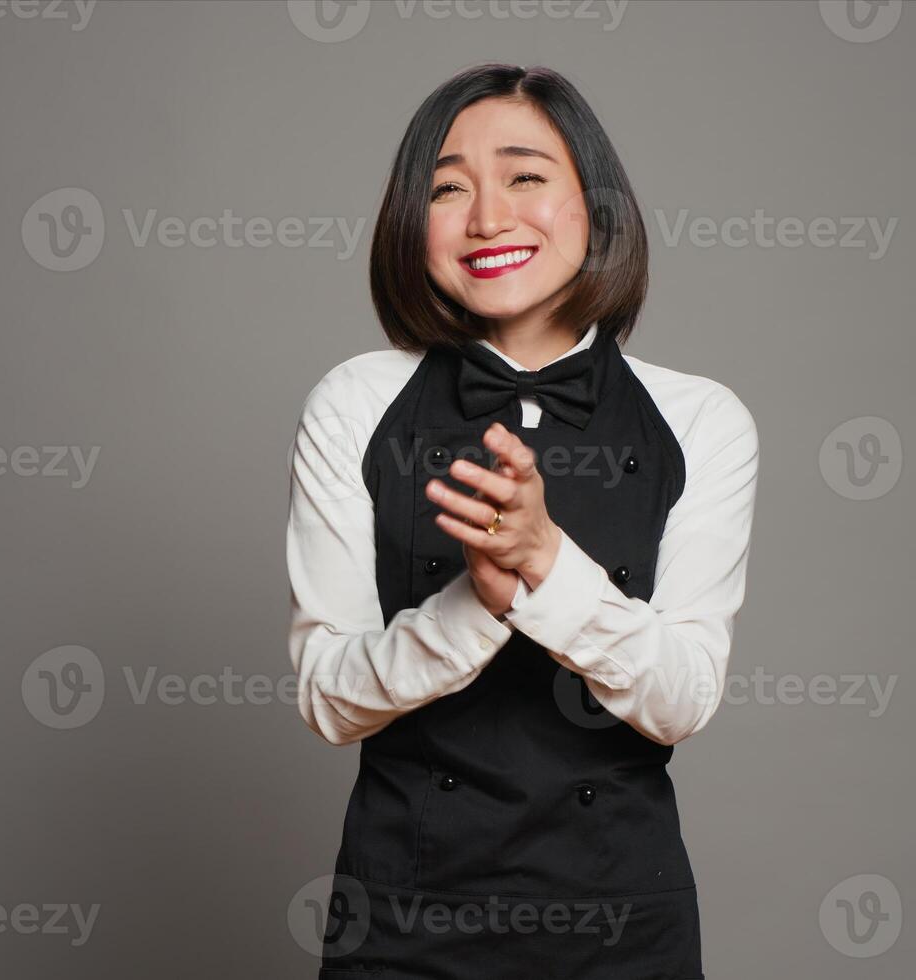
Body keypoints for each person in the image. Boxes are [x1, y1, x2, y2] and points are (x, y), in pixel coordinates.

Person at [285, 63, 759, 979]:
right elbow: (328, 698)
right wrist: (477, 601)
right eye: (447, 187)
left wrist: (546, 566)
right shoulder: (354, 401)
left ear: (597, 205)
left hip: (624, 918)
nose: (487, 217)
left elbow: (683, 699)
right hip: (401, 915)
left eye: (525, 176)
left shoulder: (701, 418)